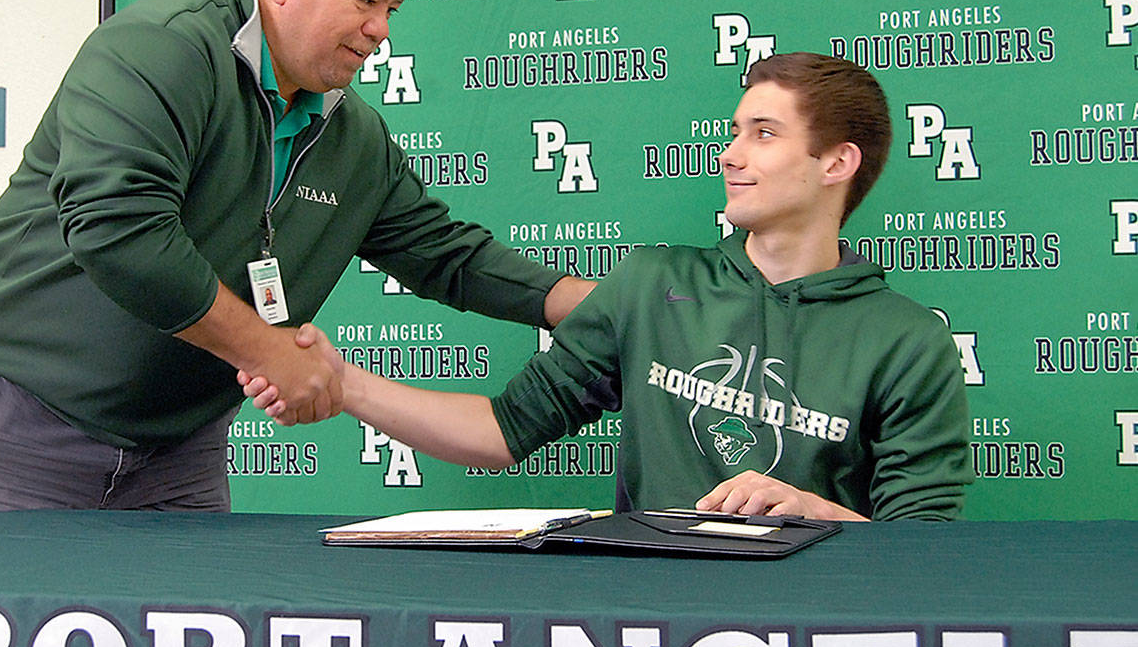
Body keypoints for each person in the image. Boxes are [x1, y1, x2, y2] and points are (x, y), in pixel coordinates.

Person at [0, 0, 593, 525]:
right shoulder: (159, 49)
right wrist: (267, 350)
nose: (382, 29)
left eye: (391, 9)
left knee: (181, 632)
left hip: (175, 450)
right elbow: (118, 230)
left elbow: (448, 256)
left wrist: (599, 304)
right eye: (365, 1)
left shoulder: (355, 137)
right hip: (13, 416)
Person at [243, 53, 974, 521]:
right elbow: (501, 432)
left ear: (837, 162)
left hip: (819, 635)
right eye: (734, 132)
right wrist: (345, 384)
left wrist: (811, 512)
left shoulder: (908, 341)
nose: (730, 155)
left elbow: (923, 551)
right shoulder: (652, 284)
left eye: (764, 134)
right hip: (654, 624)